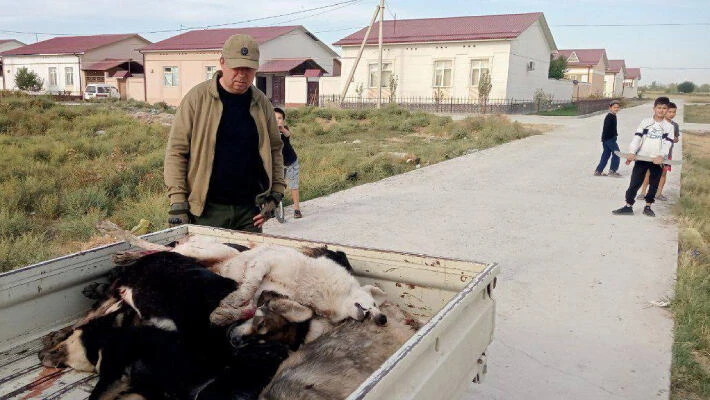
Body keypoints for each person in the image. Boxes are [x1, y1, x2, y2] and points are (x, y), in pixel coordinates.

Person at [164, 34, 286, 232]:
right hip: (206, 212)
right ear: (222, 62)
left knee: (247, 263)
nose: (242, 75)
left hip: (250, 213)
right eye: (236, 68)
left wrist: (277, 192)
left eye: (248, 69)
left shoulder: (261, 102)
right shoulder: (197, 99)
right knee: (206, 263)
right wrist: (178, 201)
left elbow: (275, 149)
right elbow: (177, 151)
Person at [612, 97, 675, 217]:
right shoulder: (645, 122)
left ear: (667, 110)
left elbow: (668, 143)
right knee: (634, 183)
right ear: (654, 108)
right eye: (659, 108)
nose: (661, 110)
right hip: (642, 158)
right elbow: (637, 138)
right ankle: (628, 206)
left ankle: (648, 206)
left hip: (657, 161)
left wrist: (661, 156)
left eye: (664, 108)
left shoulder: (669, 127)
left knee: (654, 184)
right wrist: (632, 152)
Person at [636, 101, 680, 201]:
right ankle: (643, 192)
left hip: (667, 155)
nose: (671, 114)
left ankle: (659, 193)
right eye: (669, 112)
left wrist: (674, 139)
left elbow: (676, 138)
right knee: (648, 173)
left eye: (674, 112)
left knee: (663, 174)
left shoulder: (675, 125)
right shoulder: (656, 123)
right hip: (653, 154)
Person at [273, 107, 303, 219]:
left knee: (293, 185)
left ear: (283, 121)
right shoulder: (269, 131)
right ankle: (274, 207)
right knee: (277, 185)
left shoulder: (284, 129)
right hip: (278, 164)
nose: (277, 120)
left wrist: (281, 129)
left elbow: (288, 134)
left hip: (291, 162)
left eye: (280, 118)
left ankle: (297, 209)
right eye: (274, 118)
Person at [594, 100, 622, 177]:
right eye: (614, 107)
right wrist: (611, 137)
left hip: (606, 139)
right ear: (610, 108)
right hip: (610, 139)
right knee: (617, 153)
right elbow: (606, 129)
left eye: (617, 107)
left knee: (606, 155)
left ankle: (598, 171)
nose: (616, 109)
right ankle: (612, 171)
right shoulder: (610, 116)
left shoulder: (612, 115)